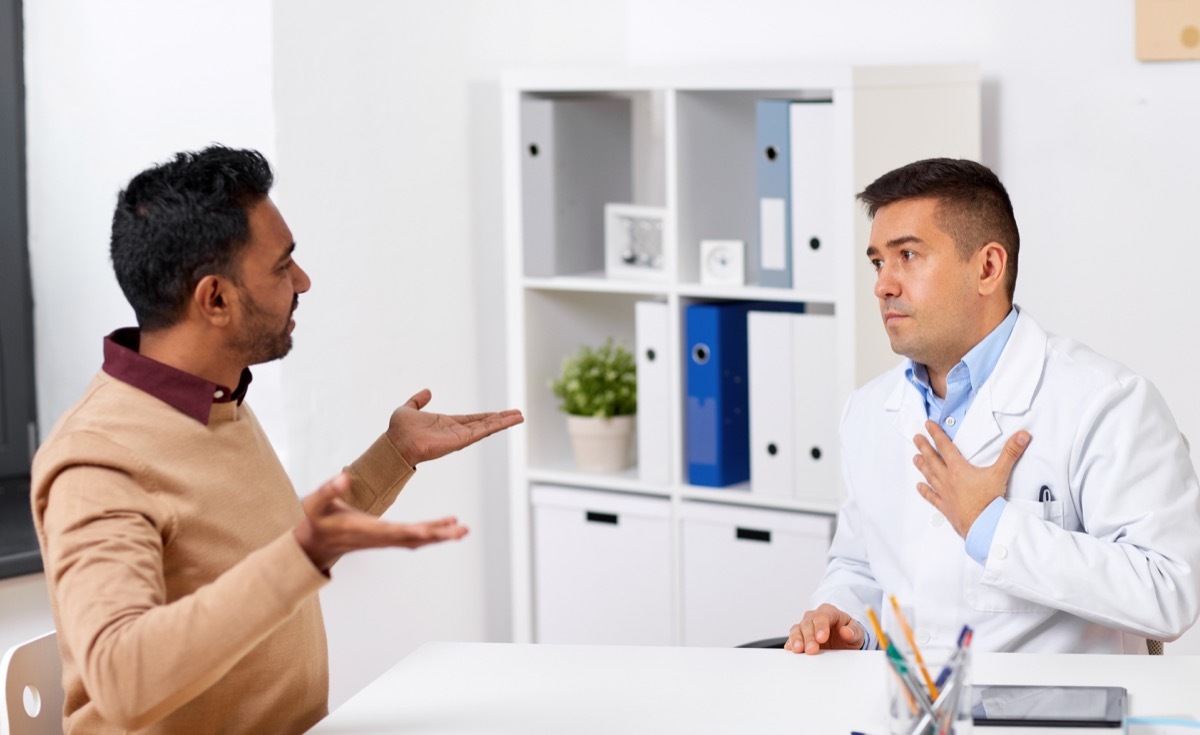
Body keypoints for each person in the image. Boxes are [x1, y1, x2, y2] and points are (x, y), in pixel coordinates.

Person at [29, 145, 524, 734]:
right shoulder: (99, 459)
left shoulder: (214, 400)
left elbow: (272, 552)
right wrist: (301, 556)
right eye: (283, 266)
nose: (303, 281)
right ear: (215, 298)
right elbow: (120, 677)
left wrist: (394, 455)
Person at [786, 158, 1200, 657]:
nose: (883, 285)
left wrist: (991, 526)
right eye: (878, 262)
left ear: (987, 268)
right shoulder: (869, 411)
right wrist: (845, 617)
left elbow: (1169, 593)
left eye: (909, 256)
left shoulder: (1106, 402)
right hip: (911, 709)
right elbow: (859, 566)